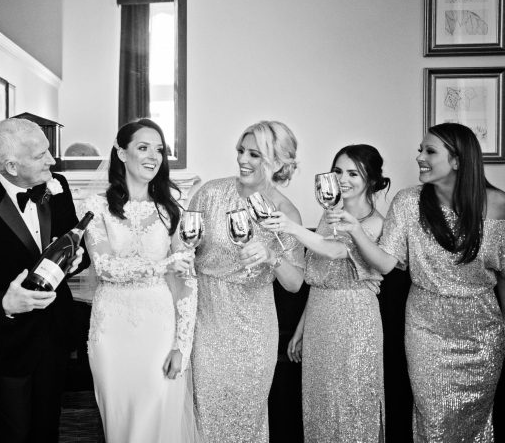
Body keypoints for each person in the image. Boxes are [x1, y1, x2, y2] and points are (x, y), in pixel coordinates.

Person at [330, 123, 505, 442]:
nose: (420, 157)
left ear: (458, 160)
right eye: (420, 150)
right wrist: (355, 229)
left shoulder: (499, 205)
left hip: (483, 330)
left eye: (429, 151)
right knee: (433, 418)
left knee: (475, 422)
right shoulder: (408, 202)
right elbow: (385, 262)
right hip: (426, 329)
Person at [0, 118, 88, 442]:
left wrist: (76, 260)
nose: (52, 161)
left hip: (55, 336)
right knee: (13, 434)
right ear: (12, 165)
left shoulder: (57, 186)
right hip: (9, 346)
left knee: (47, 430)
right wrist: (7, 302)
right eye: (41, 155)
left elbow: (73, 242)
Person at [187, 120, 305, 441]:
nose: (243, 160)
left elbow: (294, 283)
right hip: (207, 323)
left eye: (255, 154)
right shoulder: (210, 193)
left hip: (253, 330)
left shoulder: (285, 213)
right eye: (241, 151)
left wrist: (271, 255)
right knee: (205, 418)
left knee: (245, 422)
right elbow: (184, 248)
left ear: (278, 162)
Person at [83, 119, 198, 442]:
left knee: (155, 416)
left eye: (159, 149)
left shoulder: (171, 210)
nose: (153, 156)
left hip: (158, 329)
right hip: (111, 330)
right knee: (119, 423)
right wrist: (165, 264)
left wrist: (182, 346)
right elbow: (105, 267)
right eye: (143, 147)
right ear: (121, 153)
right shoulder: (97, 207)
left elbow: (188, 282)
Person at [267, 144, 390, 442]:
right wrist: (300, 329)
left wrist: (292, 227)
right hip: (320, 317)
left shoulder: (374, 223)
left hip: (355, 319)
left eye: (353, 173)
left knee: (353, 405)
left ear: (371, 180)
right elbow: (322, 277)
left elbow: (336, 251)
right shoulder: (328, 216)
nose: (343, 179)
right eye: (337, 171)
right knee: (319, 406)